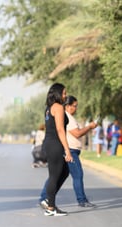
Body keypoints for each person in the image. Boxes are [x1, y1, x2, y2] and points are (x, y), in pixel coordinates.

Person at [39, 96, 98, 207]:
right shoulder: (68, 117)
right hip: (69, 150)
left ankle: (44, 197)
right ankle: (82, 200)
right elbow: (77, 133)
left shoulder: (67, 117)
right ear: (68, 106)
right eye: (74, 106)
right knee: (77, 175)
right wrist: (90, 126)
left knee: (57, 175)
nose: (76, 109)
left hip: (68, 150)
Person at [41, 83, 73, 216]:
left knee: (64, 172)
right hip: (55, 144)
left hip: (49, 143)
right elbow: (60, 129)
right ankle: (50, 207)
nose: (66, 96)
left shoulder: (49, 108)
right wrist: (67, 150)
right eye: (64, 93)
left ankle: (49, 200)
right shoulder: (58, 107)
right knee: (54, 176)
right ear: (58, 94)